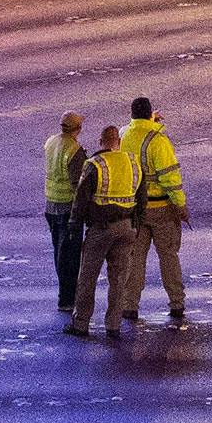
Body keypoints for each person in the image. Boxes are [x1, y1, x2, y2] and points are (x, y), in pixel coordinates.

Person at [115, 97, 189, 327]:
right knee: (168, 256)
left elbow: (131, 128)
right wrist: (181, 205)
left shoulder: (124, 137)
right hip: (162, 208)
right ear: (149, 114)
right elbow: (170, 177)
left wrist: (149, 120)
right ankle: (176, 303)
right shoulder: (158, 141)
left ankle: (130, 305)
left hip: (135, 209)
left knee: (135, 259)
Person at [68, 127, 139, 340]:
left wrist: (74, 225)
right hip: (127, 227)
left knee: (88, 277)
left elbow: (81, 199)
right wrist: (137, 224)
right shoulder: (133, 163)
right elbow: (141, 197)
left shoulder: (94, 165)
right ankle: (113, 325)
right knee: (118, 279)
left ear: (101, 141)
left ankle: (81, 323)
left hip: (101, 228)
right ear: (118, 140)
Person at [43, 111, 85, 315]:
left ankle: (65, 296)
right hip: (68, 207)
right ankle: (67, 299)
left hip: (51, 205)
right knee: (69, 256)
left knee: (59, 253)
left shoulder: (51, 142)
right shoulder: (74, 149)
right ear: (78, 128)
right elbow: (78, 185)